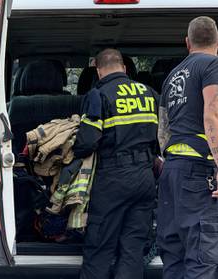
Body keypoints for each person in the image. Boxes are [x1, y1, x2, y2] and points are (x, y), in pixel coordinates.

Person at [73, 49, 158, 279]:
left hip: (113, 180)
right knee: (132, 251)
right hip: (145, 179)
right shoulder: (149, 93)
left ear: (99, 71)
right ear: (124, 68)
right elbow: (161, 140)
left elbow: (87, 143)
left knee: (99, 249)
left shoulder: (97, 95)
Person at [157, 16, 218, 279]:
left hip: (172, 171)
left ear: (187, 43)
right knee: (201, 256)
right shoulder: (213, 65)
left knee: (174, 253)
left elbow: (163, 130)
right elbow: (212, 115)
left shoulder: (172, 76)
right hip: (198, 171)